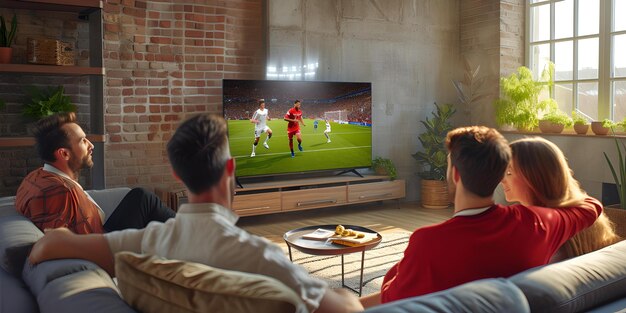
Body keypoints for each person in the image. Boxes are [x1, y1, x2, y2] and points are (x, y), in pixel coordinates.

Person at [28, 114, 364, 313]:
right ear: (230, 168)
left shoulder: (138, 244)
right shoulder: (262, 257)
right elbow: (346, 309)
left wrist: (58, 236)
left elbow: (46, 247)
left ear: (177, 175)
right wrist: (349, 295)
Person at [360, 126, 602, 307]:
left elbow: (391, 301)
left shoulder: (428, 241)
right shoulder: (537, 224)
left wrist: (398, 269)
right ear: (499, 175)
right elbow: (591, 207)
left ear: (455, 174)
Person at [15, 112, 175, 235]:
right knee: (145, 200)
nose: (91, 145)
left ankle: (188, 234)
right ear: (64, 154)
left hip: (101, 234)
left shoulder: (37, 176)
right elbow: (60, 243)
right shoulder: (61, 192)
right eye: (83, 141)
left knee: (140, 197)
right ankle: (192, 235)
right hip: (105, 247)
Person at [503, 137, 620, 261]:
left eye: (509, 173)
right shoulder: (584, 216)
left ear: (535, 178)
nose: (502, 180)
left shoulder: (534, 232)